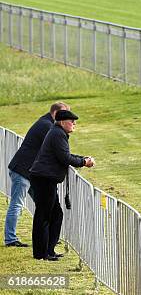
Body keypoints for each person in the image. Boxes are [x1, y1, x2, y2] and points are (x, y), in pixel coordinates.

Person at [29, 110, 94, 261]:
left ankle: (49, 250)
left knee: (56, 215)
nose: (74, 124)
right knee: (43, 216)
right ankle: (41, 253)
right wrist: (84, 162)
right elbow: (65, 158)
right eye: (72, 121)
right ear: (62, 122)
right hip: (44, 179)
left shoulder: (58, 133)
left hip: (46, 178)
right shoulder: (57, 134)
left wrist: (82, 158)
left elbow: (65, 154)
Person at [4, 102, 69, 248]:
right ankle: (10, 239)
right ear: (55, 113)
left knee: (45, 206)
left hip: (31, 173)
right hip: (22, 170)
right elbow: (58, 150)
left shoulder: (47, 123)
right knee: (17, 204)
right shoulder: (47, 126)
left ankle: (49, 238)